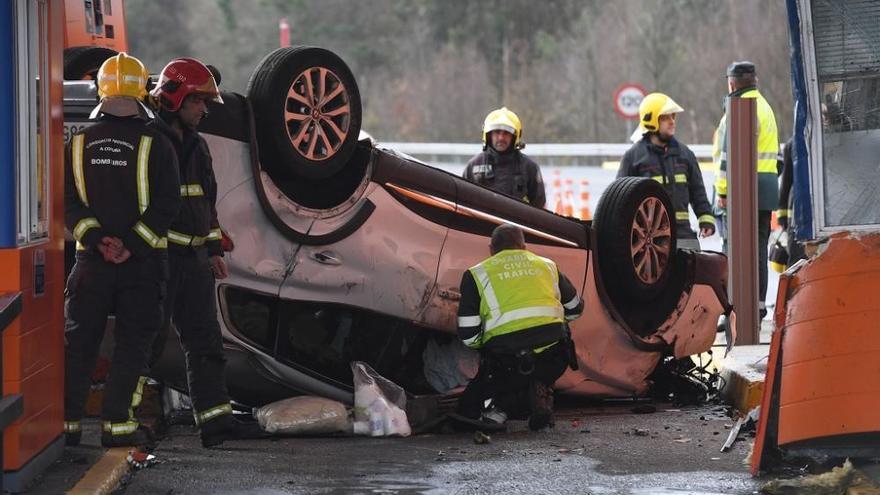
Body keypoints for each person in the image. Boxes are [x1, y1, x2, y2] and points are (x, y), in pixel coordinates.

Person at [63, 53, 181, 448]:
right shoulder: (158, 143)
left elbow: (68, 203)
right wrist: (129, 246)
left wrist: (98, 240)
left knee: (80, 344)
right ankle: (116, 425)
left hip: (90, 264)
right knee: (134, 343)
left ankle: (68, 428)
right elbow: (168, 204)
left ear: (101, 90)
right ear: (142, 93)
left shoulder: (77, 142)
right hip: (141, 265)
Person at [148, 57, 256, 447]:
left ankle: (215, 422)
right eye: (199, 102)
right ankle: (123, 421)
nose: (205, 110)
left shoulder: (198, 147)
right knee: (147, 341)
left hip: (194, 263)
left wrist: (213, 249)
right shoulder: (150, 143)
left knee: (206, 343)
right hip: (157, 262)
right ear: (176, 99)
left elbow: (206, 205)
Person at [452, 224, 583, 431]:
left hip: (505, 364)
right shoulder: (547, 266)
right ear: (523, 246)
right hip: (553, 359)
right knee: (559, 333)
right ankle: (539, 389)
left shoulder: (476, 274)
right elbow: (575, 309)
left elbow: (468, 336)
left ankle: (503, 406)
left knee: (471, 405)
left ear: (491, 249)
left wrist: (484, 345)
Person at [712, 61, 779, 319]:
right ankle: (759, 305)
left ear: (731, 83)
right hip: (767, 187)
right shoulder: (766, 107)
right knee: (760, 248)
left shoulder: (737, 110)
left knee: (736, 250)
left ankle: (735, 308)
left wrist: (723, 192)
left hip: (743, 189)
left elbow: (727, 158)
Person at [618, 93, 715, 250]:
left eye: (673, 117)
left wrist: (706, 219)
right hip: (648, 240)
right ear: (652, 122)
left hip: (683, 235)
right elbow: (620, 201)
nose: (672, 122)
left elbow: (698, 192)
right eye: (665, 118)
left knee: (694, 272)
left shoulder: (685, 154)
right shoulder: (633, 158)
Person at [463, 107, 546, 208]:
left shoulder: (529, 167)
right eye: (497, 132)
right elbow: (463, 203)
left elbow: (539, 206)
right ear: (488, 135)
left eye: (506, 133)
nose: (501, 138)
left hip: (516, 223)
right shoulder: (473, 166)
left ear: (515, 137)